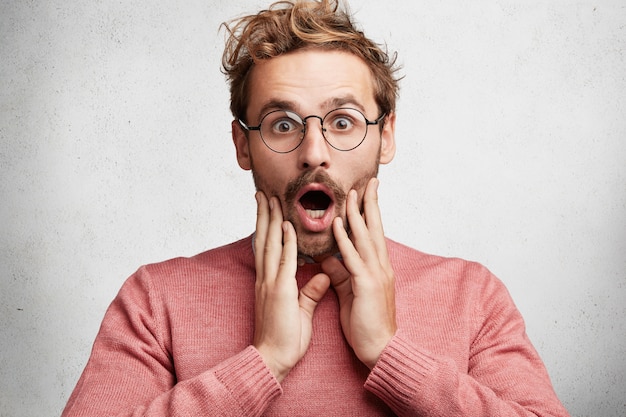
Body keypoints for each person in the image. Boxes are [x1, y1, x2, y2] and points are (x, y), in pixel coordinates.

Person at [61, 1, 570, 416]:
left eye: (343, 122)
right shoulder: (156, 300)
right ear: (243, 145)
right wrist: (262, 364)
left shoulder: (471, 295)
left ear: (385, 135)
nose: (314, 151)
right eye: (283, 124)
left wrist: (391, 354)